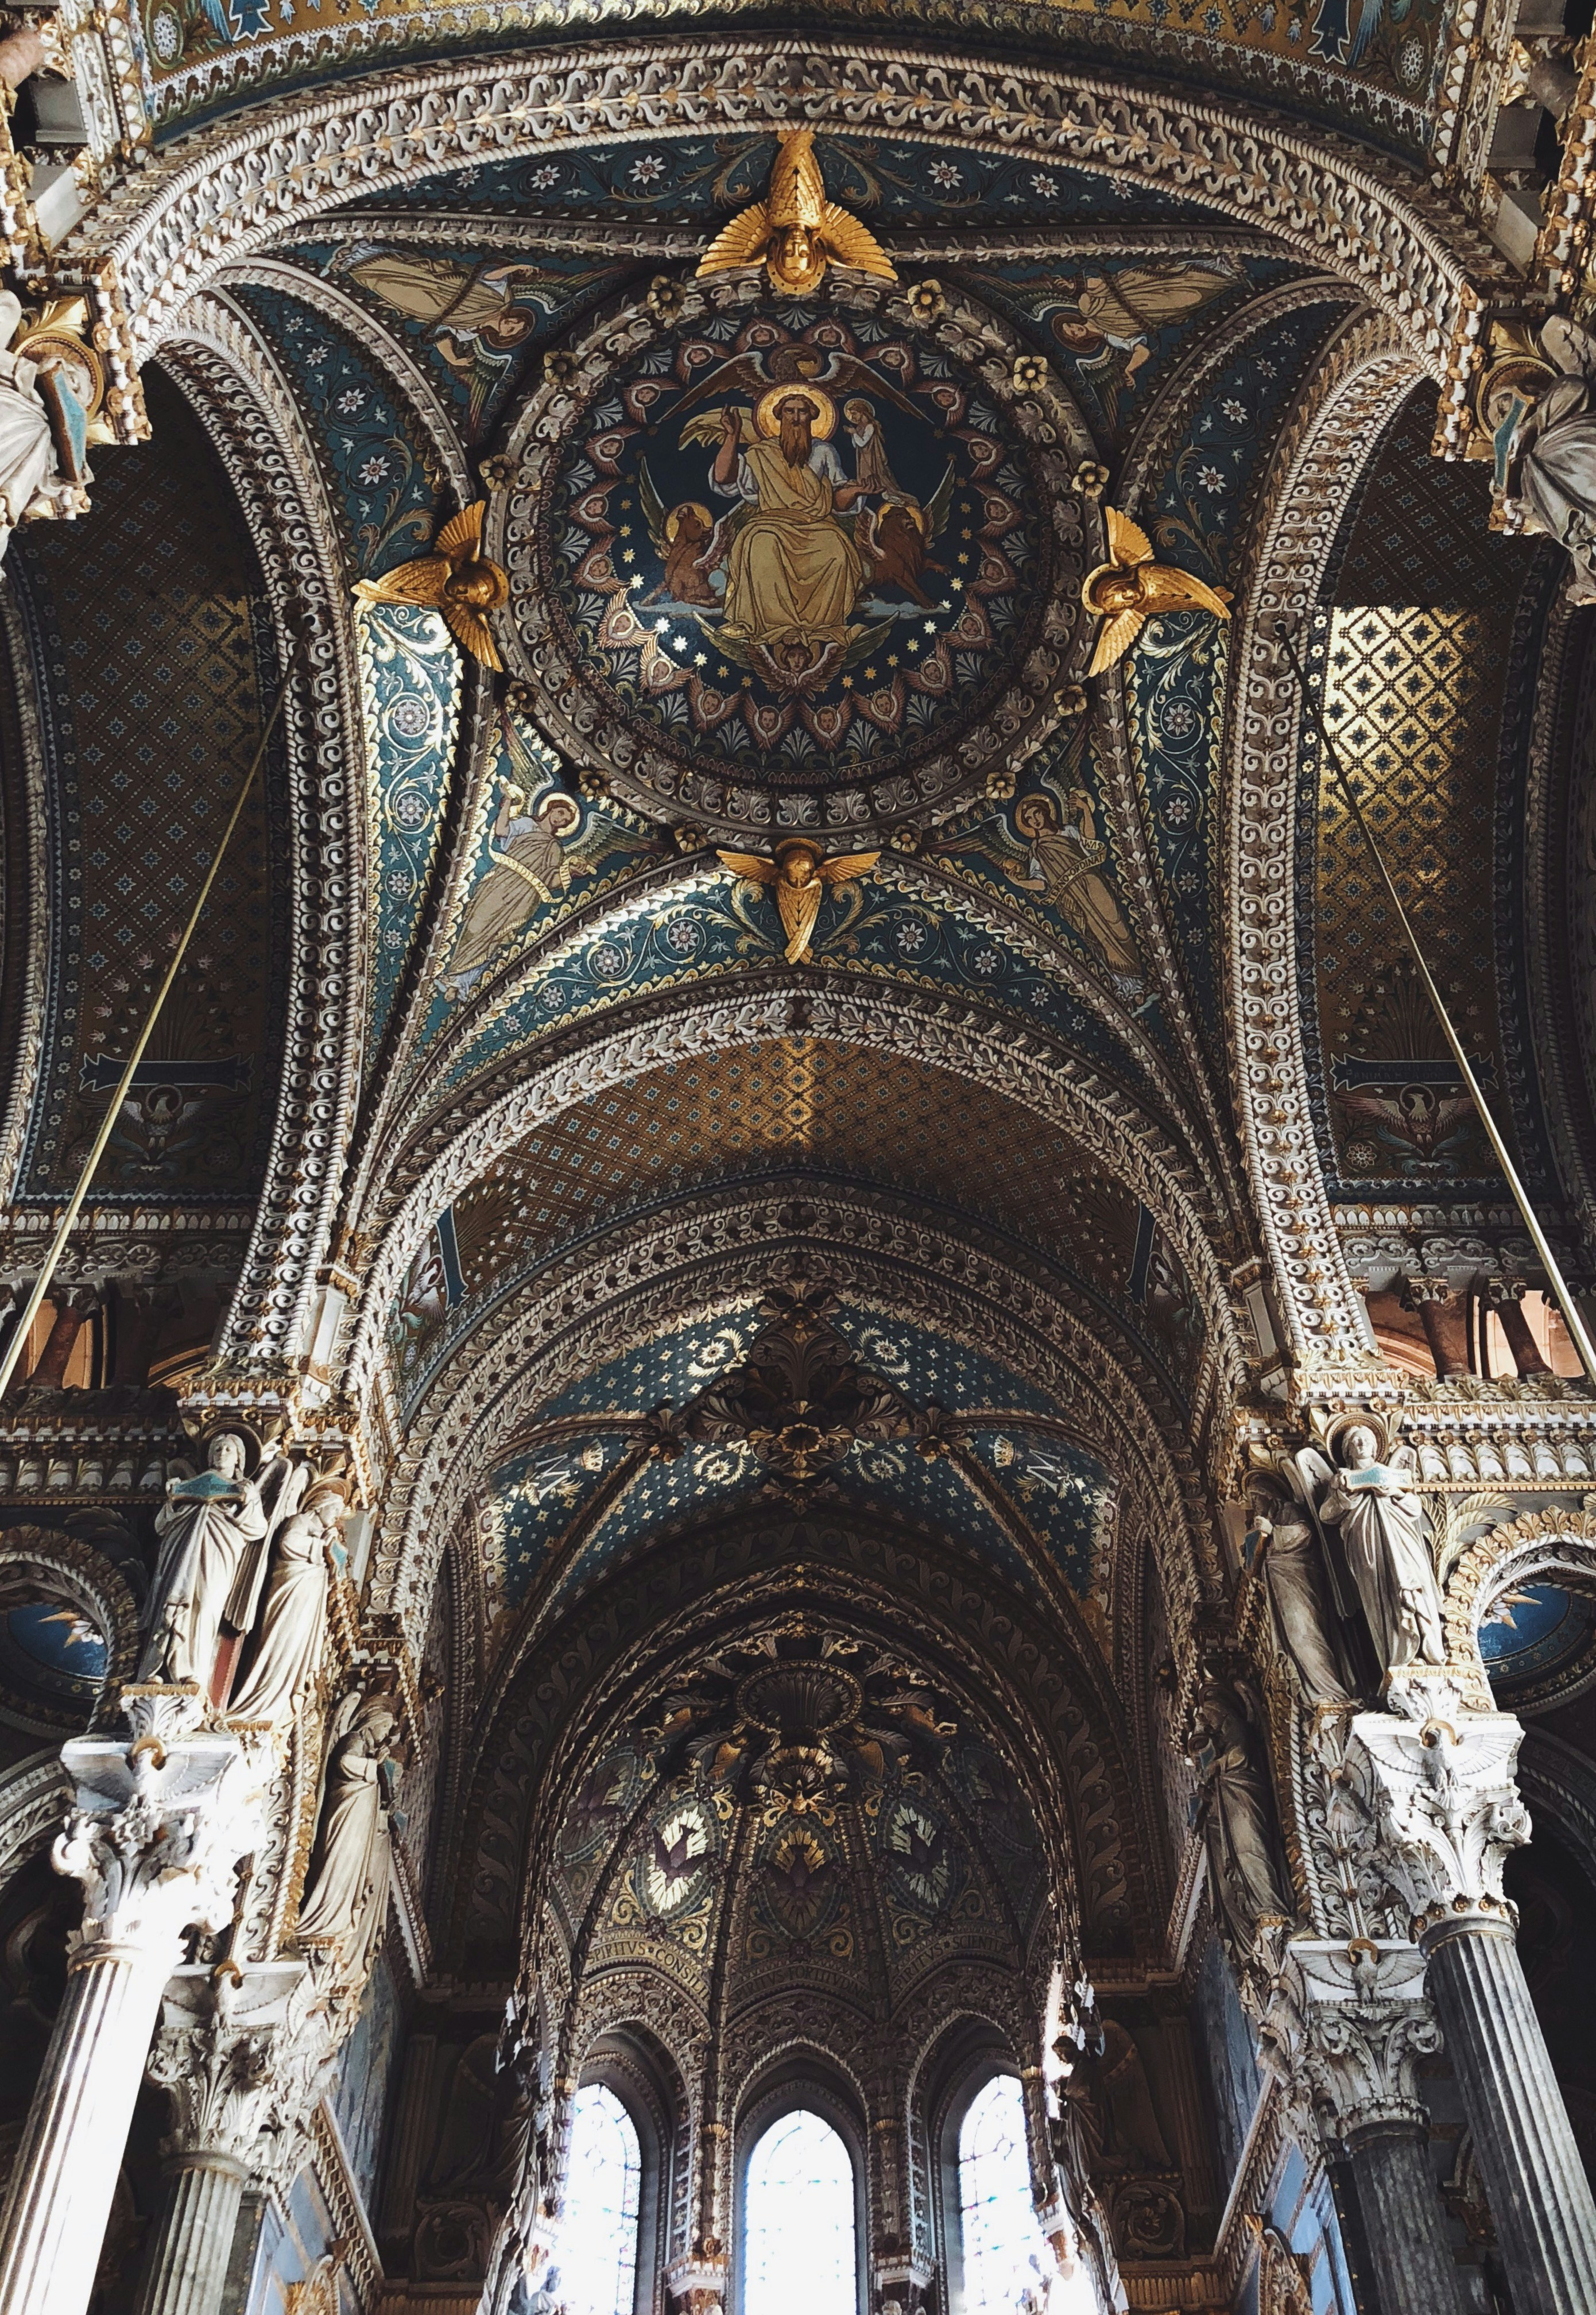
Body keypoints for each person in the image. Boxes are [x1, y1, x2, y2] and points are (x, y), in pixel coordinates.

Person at [711, 389, 866, 656]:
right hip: (770, 524)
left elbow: (839, 500)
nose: (796, 418)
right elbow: (724, 478)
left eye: (802, 412)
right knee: (762, 546)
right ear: (779, 416)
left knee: (837, 552)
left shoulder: (824, 452)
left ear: (812, 418)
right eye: (789, 411)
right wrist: (732, 436)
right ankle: (767, 625)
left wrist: (856, 490)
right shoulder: (761, 453)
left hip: (816, 525)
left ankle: (824, 626)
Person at [1316, 1426, 1446, 1677]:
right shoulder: (1342, 1479)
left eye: (1366, 1439)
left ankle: (1429, 1651)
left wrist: (1395, 1492)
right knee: (1382, 1594)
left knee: (1416, 1586)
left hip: (1402, 1540)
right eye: (1355, 1439)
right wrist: (1344, 1495)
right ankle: (1399, 1655)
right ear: (1348, 1451)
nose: (1362, 1442)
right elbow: (1326, 1515)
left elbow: (1415, 1509)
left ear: (1376, 1448)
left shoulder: (1392, 1474)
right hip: (1367, 1543)